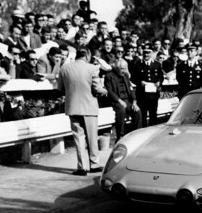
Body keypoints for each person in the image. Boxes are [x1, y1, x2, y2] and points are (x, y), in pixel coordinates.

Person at [58, 46, 108, 175]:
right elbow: (97, 88)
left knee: (78, 138)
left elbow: (60, 89)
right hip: (89, 106)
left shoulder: (64, 68)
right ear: (87, 55)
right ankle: (94, 164)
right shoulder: (93, 68)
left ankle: (82, 167)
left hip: (73, 107)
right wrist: (105, 91)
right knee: (92, 137)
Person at [104, 59, 142, 140]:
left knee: (137, 111)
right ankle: (120, 135)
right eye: (122, 69)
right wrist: (119, 101)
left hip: (128, 101)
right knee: (121, 110)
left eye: (125, 68)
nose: (124, 71)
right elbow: (109, 92)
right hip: (117, 101)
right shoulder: (109, 76)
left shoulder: (126, 75)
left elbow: (131, 89)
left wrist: (134, 102)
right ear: (117, 68)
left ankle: (137, 133)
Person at [131, 44, 164, 127]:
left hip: (153, 94)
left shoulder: (157, 65)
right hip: (142, 95)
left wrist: (159, 82)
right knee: (143, 116)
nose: (146, 55)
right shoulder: (137, 65)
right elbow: (133, 78)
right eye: (145, 53)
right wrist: (140, 82)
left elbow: (161, 77)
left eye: (148, 53)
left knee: (153, 115)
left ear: (151, 53)